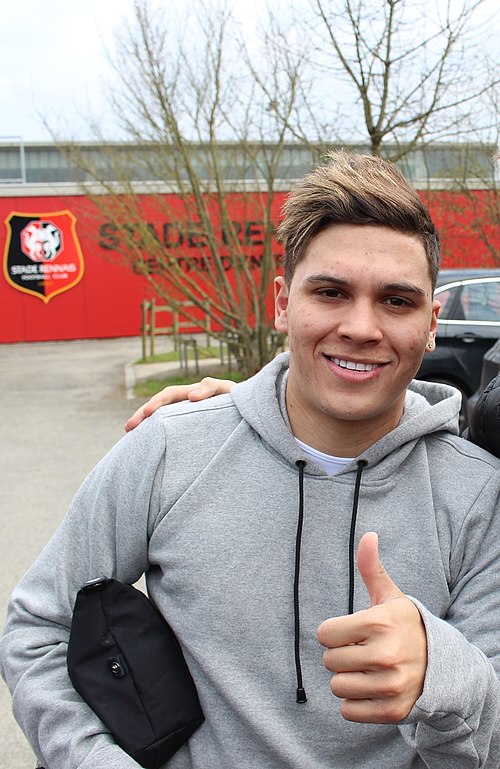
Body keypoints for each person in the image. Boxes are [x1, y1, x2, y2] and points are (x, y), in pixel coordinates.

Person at [1, 151, 499, 769]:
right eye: (331, 292)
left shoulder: (479, 495)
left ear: (432, 322)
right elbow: (39, 627)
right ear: (283, 304)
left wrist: (444, 677)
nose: (361, 326)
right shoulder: (168, 448)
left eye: (396, 301)